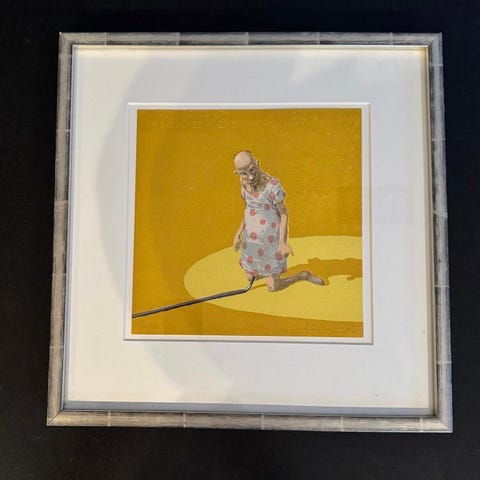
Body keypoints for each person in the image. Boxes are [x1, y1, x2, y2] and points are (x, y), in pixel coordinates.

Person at [232, 150, 324, 291]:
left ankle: (303, 275)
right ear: (237, 173)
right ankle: (262, 271)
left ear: (257, 163)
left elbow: (284, 214)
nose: (250, 177)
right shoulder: (243, 184)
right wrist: (238, 233)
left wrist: (282, 243)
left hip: (270, 243)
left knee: (273, 287)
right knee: (249, 277)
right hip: (251, 241)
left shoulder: (272, 185)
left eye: (252, 170)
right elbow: (248, 210)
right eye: (244, 173)